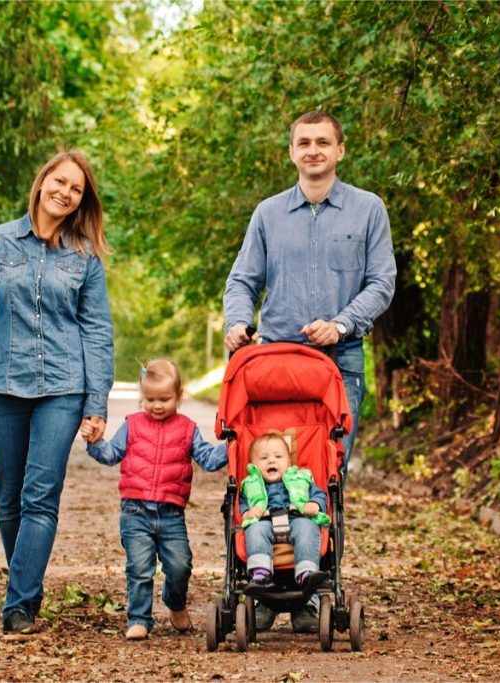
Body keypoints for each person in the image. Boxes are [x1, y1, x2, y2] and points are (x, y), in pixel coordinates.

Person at [222, 111, 396, 632]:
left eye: (323, 142)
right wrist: (237, 323)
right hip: (276, 365)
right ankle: (269, 588)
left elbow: (382, 282)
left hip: (338, 363)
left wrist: (342, 324)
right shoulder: (269, 214)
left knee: (326, 478)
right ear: (292, 151)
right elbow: (242, 281)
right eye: (304, 142)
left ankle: (312, 597)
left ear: (340, 150)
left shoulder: (368, 210)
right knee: (266, 473)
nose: (313, 150)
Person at [0, 150, 114, 635]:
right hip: (2, 386)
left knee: (40, 496)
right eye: (59, 182)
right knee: (8, 500)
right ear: (42, 182)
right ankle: (28, 584)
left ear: (82, 200)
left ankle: (17, 605)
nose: (65, 192)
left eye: (76, 189)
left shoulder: (85, 257)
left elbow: (97, 332)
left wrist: (96, 402)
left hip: (63, 388)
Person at [83, 359, 228, 640]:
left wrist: (232, 447)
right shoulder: (132, 424)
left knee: (180, 565)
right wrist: (95, 442)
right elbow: (111, 454)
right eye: (150, 399)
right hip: (135, 510)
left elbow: (209, 460)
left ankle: (175, 603)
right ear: (141, 396)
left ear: (179, 396)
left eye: (165, 399)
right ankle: (139, 618)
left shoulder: (187, 428)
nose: (157, 405)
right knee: (139, 567)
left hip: (172, 514)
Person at [239, 432, 329, 591]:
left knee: (308, 528)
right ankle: (260, 574)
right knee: (254, 530)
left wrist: (314, 503)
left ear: (288, 462)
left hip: (297, 517)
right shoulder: (250, 484)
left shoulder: (301, 478)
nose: (271, 461)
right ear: (253, 465)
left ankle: (306, 573)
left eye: (278, 456)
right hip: (264, 520)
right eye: (264, 458)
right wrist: (247, 513)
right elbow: (242, 503)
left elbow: (320, 494)